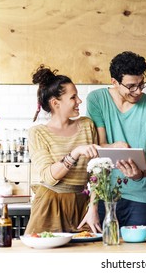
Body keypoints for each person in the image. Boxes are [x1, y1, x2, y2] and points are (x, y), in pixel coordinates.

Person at [86, 51, 146, 229]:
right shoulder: (97, 100)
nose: (138, 91)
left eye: (141, 84)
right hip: (104, 195)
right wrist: (114, 146)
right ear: (114, 82)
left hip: (141, 198)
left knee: (139, 253)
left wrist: (139, 175)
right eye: (131, 86)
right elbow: (97, 146)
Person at [25, 65, 100, 234]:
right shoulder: (38, 133)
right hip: (49, 204)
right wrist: (75, 153)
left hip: (82, 205)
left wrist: (93, 208)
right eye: (73, 97)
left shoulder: (87, 125)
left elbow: (98, 172)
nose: (79, 101)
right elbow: (49, 177)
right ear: (55, 103)